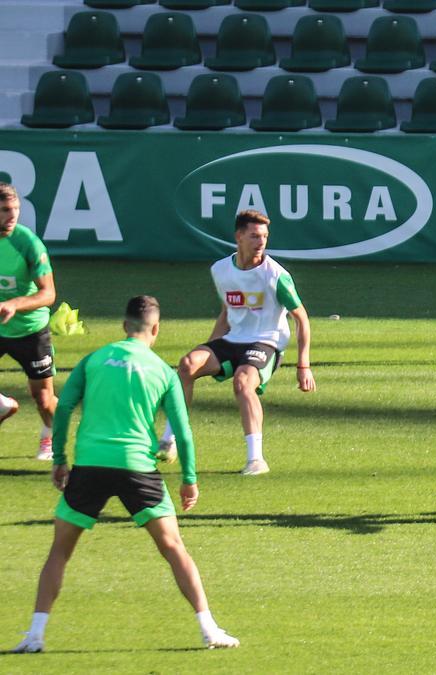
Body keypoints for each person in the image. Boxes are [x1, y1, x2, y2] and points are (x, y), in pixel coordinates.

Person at [11, 296, 238, 654]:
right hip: (137, 468)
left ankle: (35, 635)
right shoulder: (163, 371)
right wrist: (189, 479)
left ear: (123, 326)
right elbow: (182, 430)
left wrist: (60, 458)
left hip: (90, 465)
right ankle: (209, 629)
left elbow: (64, 406)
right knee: (173, 548)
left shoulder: (94, 359)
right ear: (156, 328)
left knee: (60, 551)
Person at [158, 210, 315, 476]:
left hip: (266, 342)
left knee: (243, 382)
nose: (261, 242)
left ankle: (256, 459)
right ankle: (169, 440)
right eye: (254, 236)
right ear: (239, 237)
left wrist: (304, 365)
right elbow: (227, 312)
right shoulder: (220, 270)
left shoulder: (276, 275)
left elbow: (301, 318)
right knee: (187, 365)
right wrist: (208, 349)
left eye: (264, 236)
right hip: (233, 340)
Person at [0, 183, 58, 460]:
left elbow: (49, 294)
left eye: (15, 209)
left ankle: (51, 434)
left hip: (30, 331)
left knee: (43, 400)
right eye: (4, 210)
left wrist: (14, 304)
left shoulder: (28, 244)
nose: (12, 215)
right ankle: (3, 406)